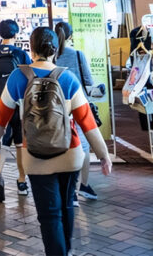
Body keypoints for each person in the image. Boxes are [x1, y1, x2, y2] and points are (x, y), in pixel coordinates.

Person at [0, 27, 113, 256]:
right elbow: (87, 122)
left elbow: (1, 116)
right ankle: (65, 250)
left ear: (31, 47)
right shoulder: (67, 77)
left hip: (35, 155)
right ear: (56, 49)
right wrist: (104, 154)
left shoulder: (19, 76)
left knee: (49, 215)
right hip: (70, 153)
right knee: (66, 206)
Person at [54, 21, 106, 204]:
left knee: (59, 146)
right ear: (70, 36)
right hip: (77, 107)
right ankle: (80, 186)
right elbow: (88, 82)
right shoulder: (77, 54)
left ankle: (64, 185)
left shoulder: (50, 57)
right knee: (82, 148)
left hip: (55, 109)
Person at [0, 19, 30, 201]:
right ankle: (22, 181)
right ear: (15, 34)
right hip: (19, 103)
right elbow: (29, 78)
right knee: (19, 142)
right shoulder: (21, 54)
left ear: (0, 34)